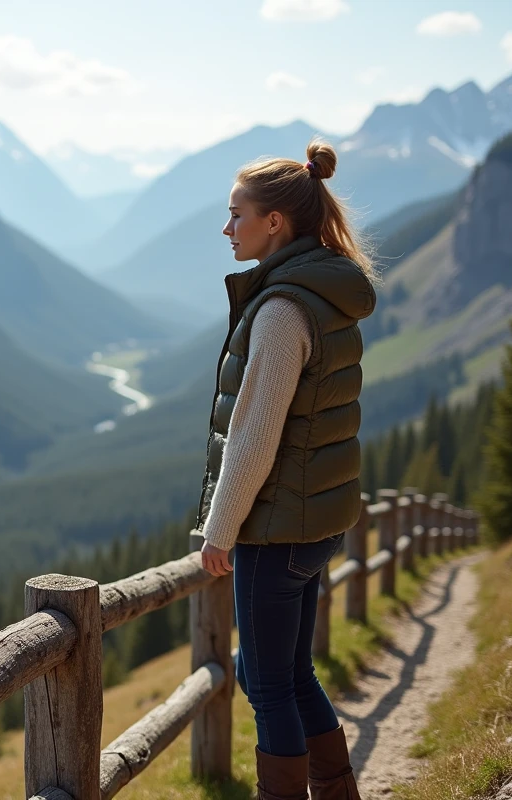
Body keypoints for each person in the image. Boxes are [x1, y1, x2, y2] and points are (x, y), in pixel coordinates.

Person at [195, 138, 378, 800]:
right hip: (315, 521)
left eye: (237, 213)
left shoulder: (279, 310)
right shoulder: (326, 292)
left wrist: (220, 528)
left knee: (268, 683)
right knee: (291, 674)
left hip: (276, 528)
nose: (228, 227)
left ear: (276, 222)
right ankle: (337, 790)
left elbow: (254, 435)